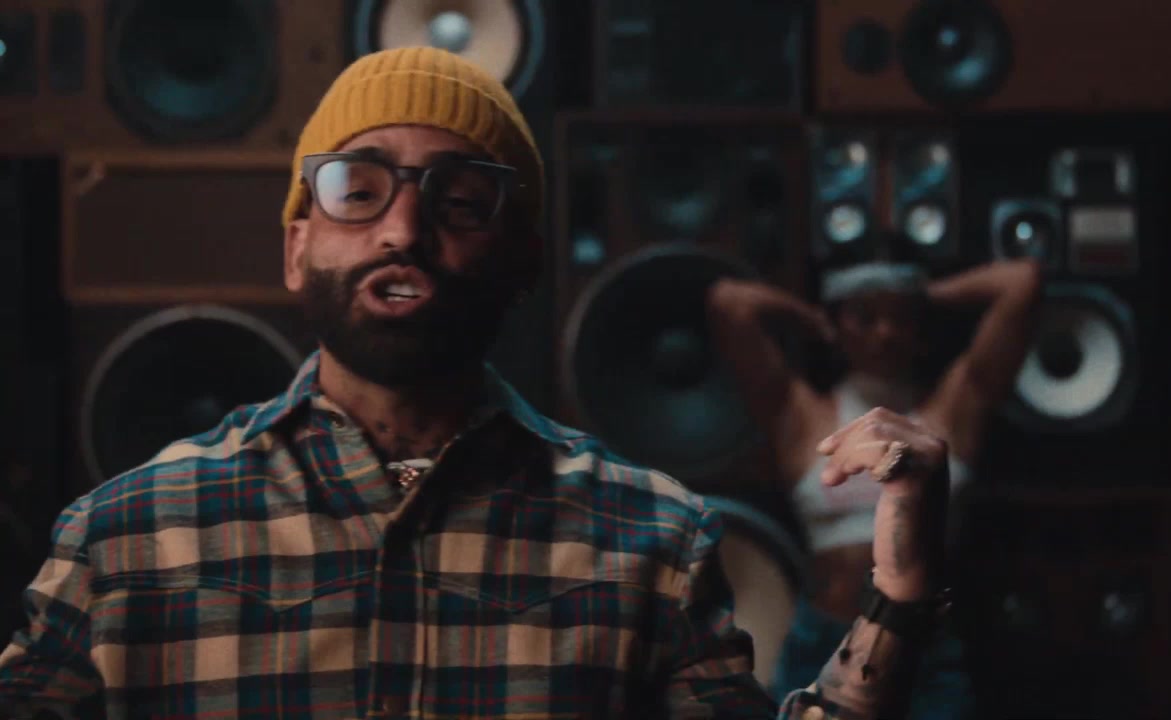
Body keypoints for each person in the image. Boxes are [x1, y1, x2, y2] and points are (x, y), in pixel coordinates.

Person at [0, 47, 955, 720]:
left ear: (521, 263)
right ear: (297, 247)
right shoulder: (128, 539)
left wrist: (901, 594)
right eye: (356, 191)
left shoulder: (647, 542)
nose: (403, 230)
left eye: (458, 201)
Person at [707, 251, 1043, 716]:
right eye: (866, 317)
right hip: (826, 643)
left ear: (919, 331)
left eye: (900, 319)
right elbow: (729, 303)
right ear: (839, 327)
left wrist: (920, 294)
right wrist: (816, 317)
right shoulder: (803, 415)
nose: (885, 332)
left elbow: (1022, 281)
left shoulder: (951, 410)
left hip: (924, 649)